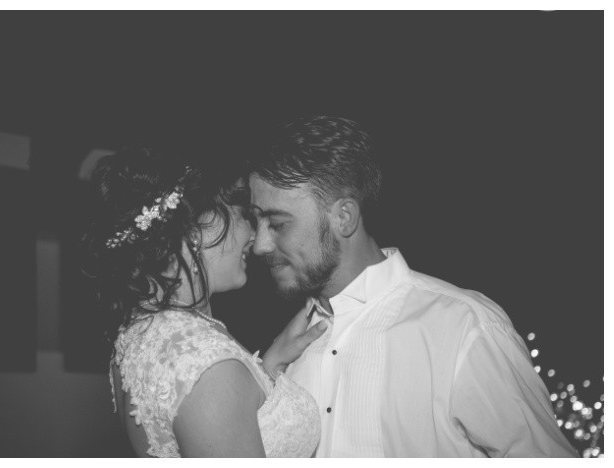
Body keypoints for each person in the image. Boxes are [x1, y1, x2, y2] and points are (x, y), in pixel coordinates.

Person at [247, 116, 576, 457]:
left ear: (343, 217)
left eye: (277, 223)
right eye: (256, 221)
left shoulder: (463, 327)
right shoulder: (285, 353)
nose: (260, 245)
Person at [83, 147, 323, 457]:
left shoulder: (136, 336)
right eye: (242, 216)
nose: (254, 236)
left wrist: (268, 367)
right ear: (194, 231)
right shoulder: (208, 366)